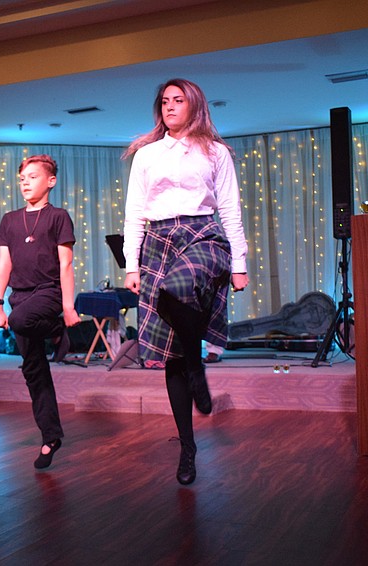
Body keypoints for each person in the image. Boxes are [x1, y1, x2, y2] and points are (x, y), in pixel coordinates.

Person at [122, 78, 249, 485]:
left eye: (178, 100)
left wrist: (240, 261)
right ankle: (188, 449)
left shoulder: (215, 152)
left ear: (194, 105)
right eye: (164, 101)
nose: (170, 107)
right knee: (171, 356)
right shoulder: (146, 154)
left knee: (177, 286)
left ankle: (197, 363)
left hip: (203, 235)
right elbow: (134, 213)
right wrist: (131, 264)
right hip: (157, 241)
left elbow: (229, 208)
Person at [0, 154, 79, 469]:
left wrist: (67, 307)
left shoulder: (58, 217)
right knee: (34, 370)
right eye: (22, 178)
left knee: (20, 321)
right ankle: (50, 437)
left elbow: (66, 264)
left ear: (50, 181)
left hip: (48, 294)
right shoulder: (10, 220)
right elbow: (5, 264)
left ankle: (57, 330)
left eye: (32, 176)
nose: (25, 182)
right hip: (20, 296)